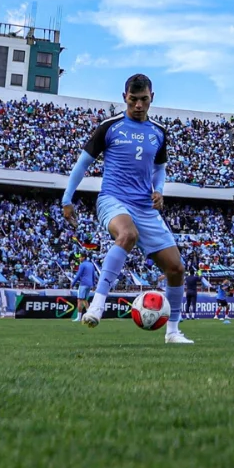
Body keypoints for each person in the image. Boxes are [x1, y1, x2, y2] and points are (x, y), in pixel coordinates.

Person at [61, 74, 192, 344]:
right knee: (127, 235)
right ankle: (97, 304)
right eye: (133, 100)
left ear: (151, 98)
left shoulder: (158, 133)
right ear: (125, 98)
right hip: (114, 200)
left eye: (144, 100)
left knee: (176, 269)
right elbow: (82, 165)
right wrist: (67, 199)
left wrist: (160, 191)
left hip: (146, 207)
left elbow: (159, 169)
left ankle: (173, 332)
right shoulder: (109, 127)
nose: (139, 106)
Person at [71, 256, 98, 323]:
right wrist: (94, 285)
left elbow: (78, 275)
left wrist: (73, 283)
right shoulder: (91, 264)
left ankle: (79, 317)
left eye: (80, 257)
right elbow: (93, 275)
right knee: (84, 300)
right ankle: (89, 316)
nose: (79, 258)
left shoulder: (82, 265)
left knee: (79, 300)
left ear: (83, 257)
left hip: (83, 284)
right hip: (89, 284)